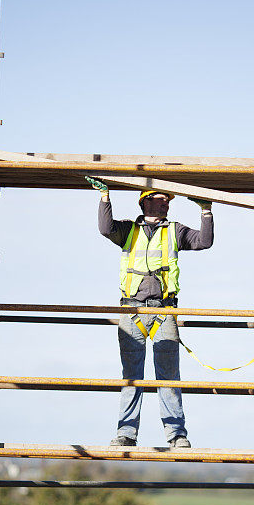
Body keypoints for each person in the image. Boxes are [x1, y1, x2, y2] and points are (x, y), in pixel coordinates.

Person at [91, 177, 214, 447]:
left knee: (168, 377)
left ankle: (176, 435)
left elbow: (205, 241)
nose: (166, 203)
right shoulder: (127, 230)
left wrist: (206, 211)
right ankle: (126, 434)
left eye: (168, 200)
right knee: (131, 377)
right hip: (131, 311)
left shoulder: (175, 231)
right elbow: (104, 228)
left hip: (164, 311)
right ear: (145, 201)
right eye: (160, 199)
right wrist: (105, 198)